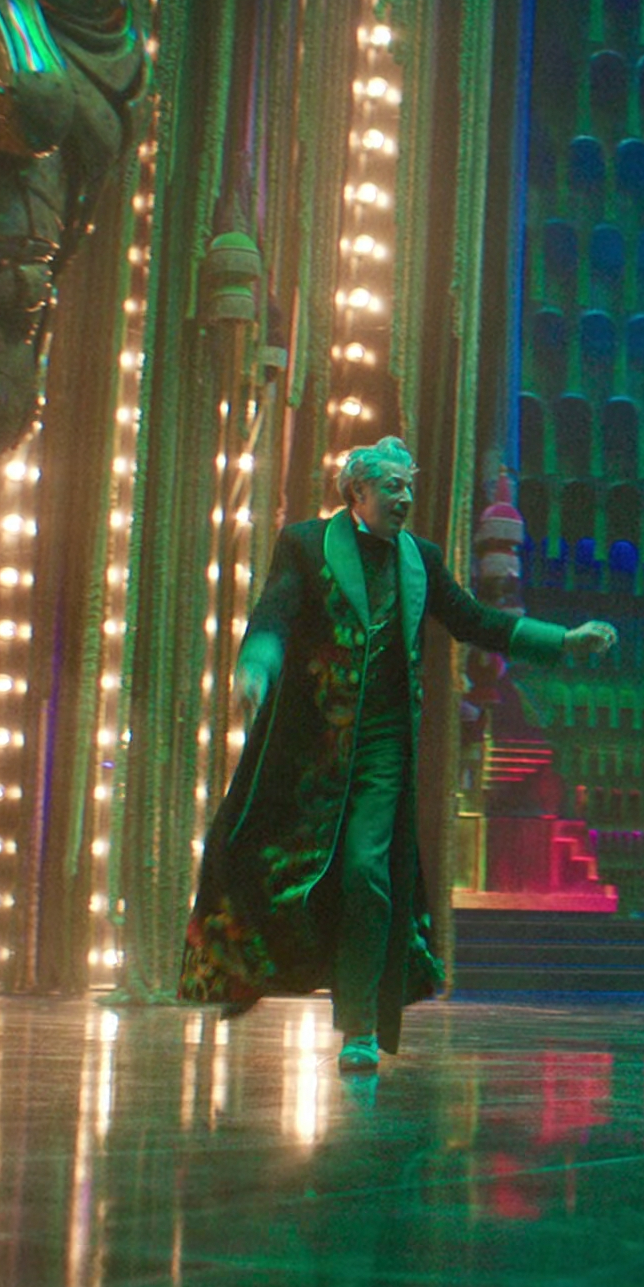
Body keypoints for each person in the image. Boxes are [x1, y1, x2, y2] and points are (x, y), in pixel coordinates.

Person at [180, 437, 617, 1072]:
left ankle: (358, 1027)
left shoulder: (421, 560)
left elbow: (475, 620)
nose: (405, 497)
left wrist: (564, 641)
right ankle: (249, 971)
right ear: (357, 492)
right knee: (260, 857)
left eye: (409, 486)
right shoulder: (306, 545)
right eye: (393, 486)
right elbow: (275, 611)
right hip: (307, 745)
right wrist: (258, 663)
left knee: (367, 873)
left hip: (382, 746)